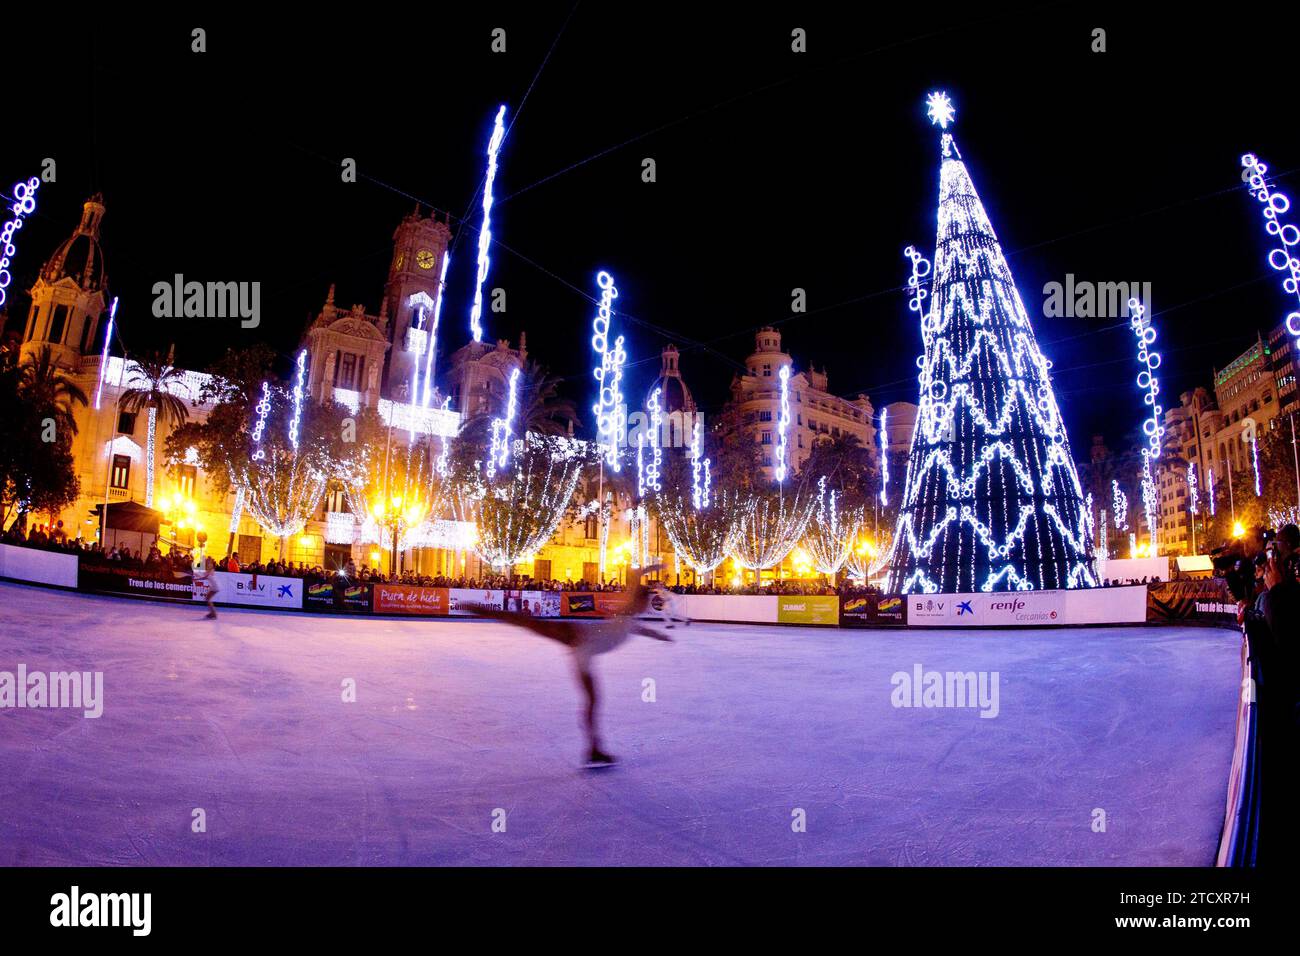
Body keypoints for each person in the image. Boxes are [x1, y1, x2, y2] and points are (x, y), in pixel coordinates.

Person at [464, 567, 672, 768]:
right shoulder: (627, 609)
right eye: (646, 601)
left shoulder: (630, 620)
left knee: (592, 700)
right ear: (639, 600)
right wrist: (650, 570)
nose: (647, 606)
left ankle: (594, 748)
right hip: (578, 634)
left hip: (584, 651)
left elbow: (640, 629)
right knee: (532, 624)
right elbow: (634, 580)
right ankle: (481, 609)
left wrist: (662, 636)